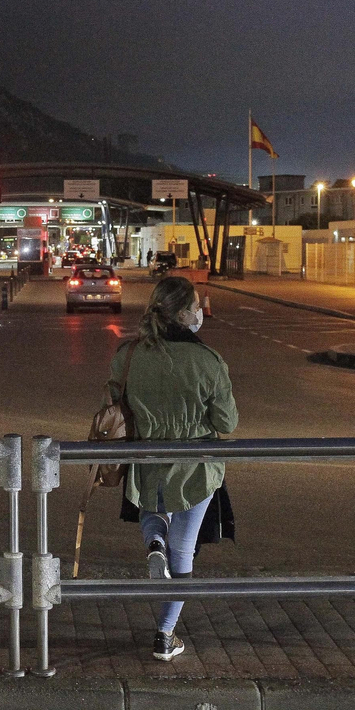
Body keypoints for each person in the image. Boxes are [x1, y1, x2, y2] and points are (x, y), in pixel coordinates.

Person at [108, 275, 238, 662]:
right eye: (197, 306)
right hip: (196, 468)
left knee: (155, 516)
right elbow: (227, 422)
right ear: (183, 314)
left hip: (146, 461)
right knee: (184, 554)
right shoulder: (208, 360)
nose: (201, 312)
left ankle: (154, 543)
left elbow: (112, 404)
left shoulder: (128, 355)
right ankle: (164, 635)